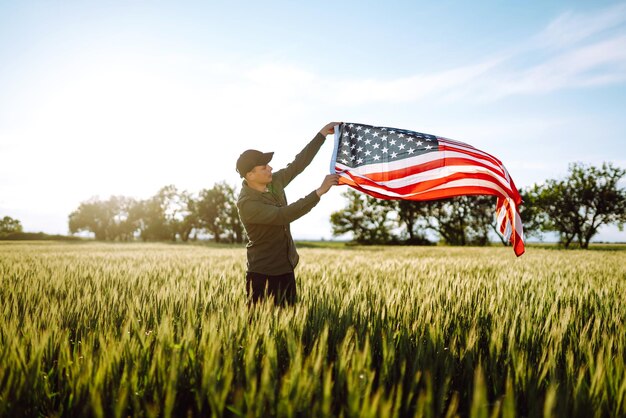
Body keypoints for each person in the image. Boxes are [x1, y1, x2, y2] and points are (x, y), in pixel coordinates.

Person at [236, 122, 340, 306]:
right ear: (250, 175)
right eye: (264, 167)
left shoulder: (274, 182)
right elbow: (282, 215)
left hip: (286, 269)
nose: (270, 168)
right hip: (263, 274)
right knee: (259, 328)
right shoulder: (248, 204)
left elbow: (298, 165)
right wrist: (318, 192)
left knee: (289, 326)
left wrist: (321, 135)